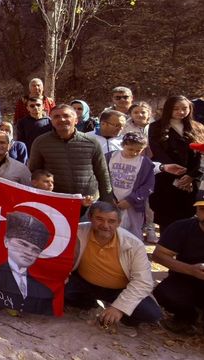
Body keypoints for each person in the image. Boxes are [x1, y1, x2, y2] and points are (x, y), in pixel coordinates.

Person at [65, 201, 161, 329]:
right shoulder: (77, 231)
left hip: (119, 289)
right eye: (99, 219)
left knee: (151, 313)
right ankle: (90, 305)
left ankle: (121, 318)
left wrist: (119, 308)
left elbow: (143, 282)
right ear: (90, 218)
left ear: (119, 223)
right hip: (84, 282)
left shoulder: (134, 244)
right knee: (58, 289)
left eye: (111, 221)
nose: (105, 225)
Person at [0, 211, 54, 315]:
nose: (28, 252)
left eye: (35, 250)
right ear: (6, 241)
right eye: (22, 244)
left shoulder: (44, 291)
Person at [28, 105, 112, 203]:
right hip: (56, 201)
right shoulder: (40, 142)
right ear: (51, 121)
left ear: (76, 120)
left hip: (87, 201)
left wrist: (107, 200)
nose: (62, 119)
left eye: (66, 116)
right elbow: (35, 171)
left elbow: (102, 173)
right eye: (56, 117)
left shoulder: (91, 142)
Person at [147, 95, 203, 230]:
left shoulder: (198, 127)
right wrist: (177, 174)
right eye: (176, 109)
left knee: (188, 219)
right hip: (166, 178)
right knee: (167, 218)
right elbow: (157, 152)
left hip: (190, 181)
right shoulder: (156, 127)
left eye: (185, 108)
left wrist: (192, 175)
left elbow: (200, 155)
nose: (181, 112)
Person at [152, 199, 204, 335]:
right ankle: (187, 316)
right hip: (186, 279)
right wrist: (192, 270)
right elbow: (158, 255)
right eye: (202, 208)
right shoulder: (182, 227)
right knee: (165, 293)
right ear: (197, 210)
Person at [106, 133, 154, 240]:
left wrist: (131, 200)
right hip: (111, 202)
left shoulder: (145, 162)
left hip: (133, 206)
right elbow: (102, 178)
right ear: (123, 145)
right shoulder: (110, 157)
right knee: (109, 230)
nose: (134, 153)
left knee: (132, 234)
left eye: (138, 150)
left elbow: (148, 186)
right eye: (130, 149)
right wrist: (109, 197)